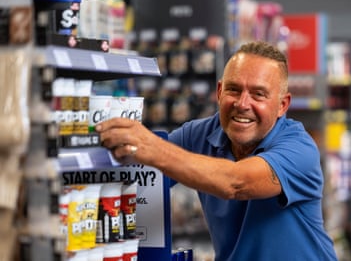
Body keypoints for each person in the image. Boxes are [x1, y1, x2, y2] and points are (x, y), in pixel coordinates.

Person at [96, 41, 338, 261]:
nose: (243, 104)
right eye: (234, 90)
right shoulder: (199, 135)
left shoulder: (299, 149)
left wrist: (150, 145)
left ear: (282, 105)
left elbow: (237, 183)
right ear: (220, 91)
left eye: (258, 94)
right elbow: (146, 178)